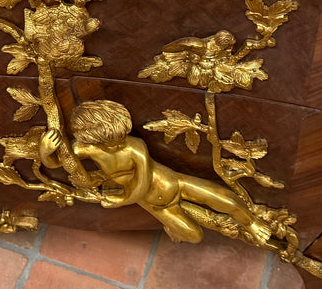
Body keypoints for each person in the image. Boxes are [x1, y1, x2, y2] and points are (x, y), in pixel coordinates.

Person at [41, 99, 258, 243]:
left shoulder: (135, 146)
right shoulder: (86, 148)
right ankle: (174, 224)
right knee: (194, 236)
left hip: (175, 184)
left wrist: (122, 201)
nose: (118, 146)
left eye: (120, 138)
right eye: (110, 143)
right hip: (156, 206)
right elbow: (59, 163)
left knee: (228, 200)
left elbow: (142, 184)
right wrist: (45, 152)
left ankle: (253, 224)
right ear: (92, 139)